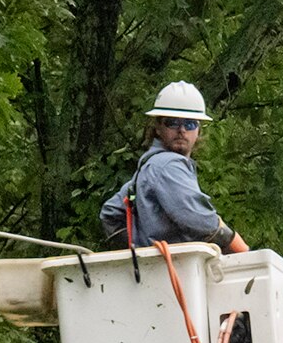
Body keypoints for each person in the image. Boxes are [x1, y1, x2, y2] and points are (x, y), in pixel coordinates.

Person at [100, 80, 249, 253]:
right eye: (172, 122)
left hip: (163, 270)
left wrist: (139, 253)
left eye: (190, 124)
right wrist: (244, 252)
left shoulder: (150, 167)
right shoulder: (167, 166)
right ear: (158, 127)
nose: (182, 130)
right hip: (176, 270)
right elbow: (200, 221)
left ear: (198, 130)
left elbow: (110, 213)